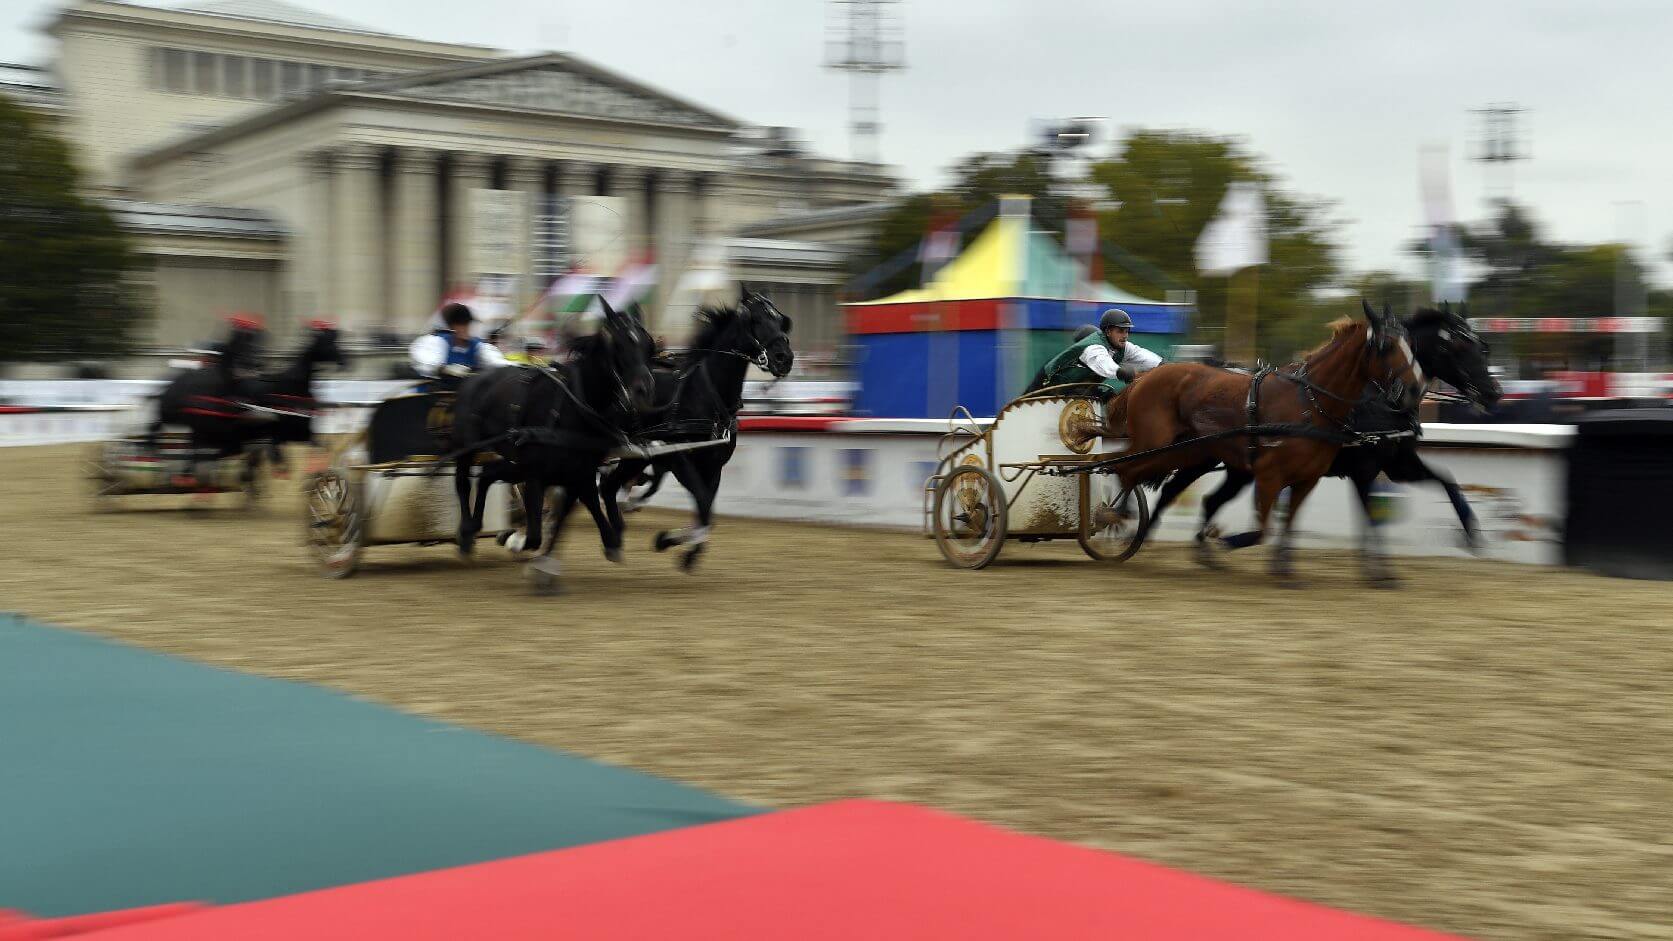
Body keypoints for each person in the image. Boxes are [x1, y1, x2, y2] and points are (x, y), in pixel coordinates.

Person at [1027, 308, 1163, 396]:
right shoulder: (1092, 348)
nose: (1125, 335)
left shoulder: (1124, 346)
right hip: (1048, 384)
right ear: (1108, 331)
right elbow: (1102, 363)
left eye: (1127, 331)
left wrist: (1165, 366)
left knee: (1108, 396)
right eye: (1120, 330)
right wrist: (1120, 372)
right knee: (1021, 410)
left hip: (1075, 389)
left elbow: (1143, 355)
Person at [409, 302, 507, 390]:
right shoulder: (435, 342)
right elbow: (426, 363)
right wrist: (445, 369)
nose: (464, 328)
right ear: (452, 326)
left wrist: (515, 367)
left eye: (466, 324)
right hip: (435, 396)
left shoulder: (479, 346)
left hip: (465, 395)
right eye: (460, 324)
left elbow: (498, 363)